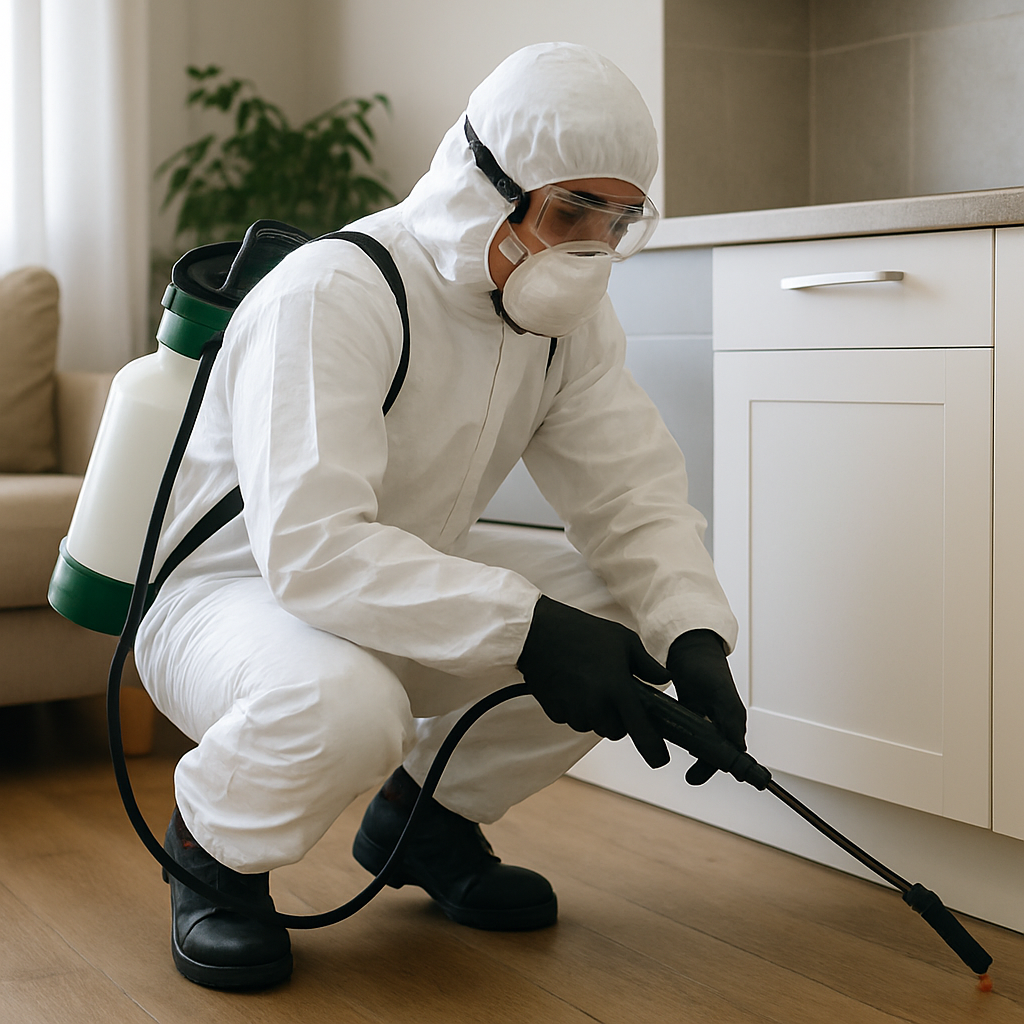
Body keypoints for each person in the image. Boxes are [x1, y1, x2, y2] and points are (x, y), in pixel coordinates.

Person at [135, 41, 745, 990]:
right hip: (231, 599)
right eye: (569, 210)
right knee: (347, 703)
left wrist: (696, 632)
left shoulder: (566, 323)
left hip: (394, 582)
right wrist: (530, 627)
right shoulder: (335, 291)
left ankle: (426, 824)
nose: (592, 244)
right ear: (483, 183)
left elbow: (632, 490)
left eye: (619, 219)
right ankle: (213, 856)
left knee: (629, 619)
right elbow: (312, 551)